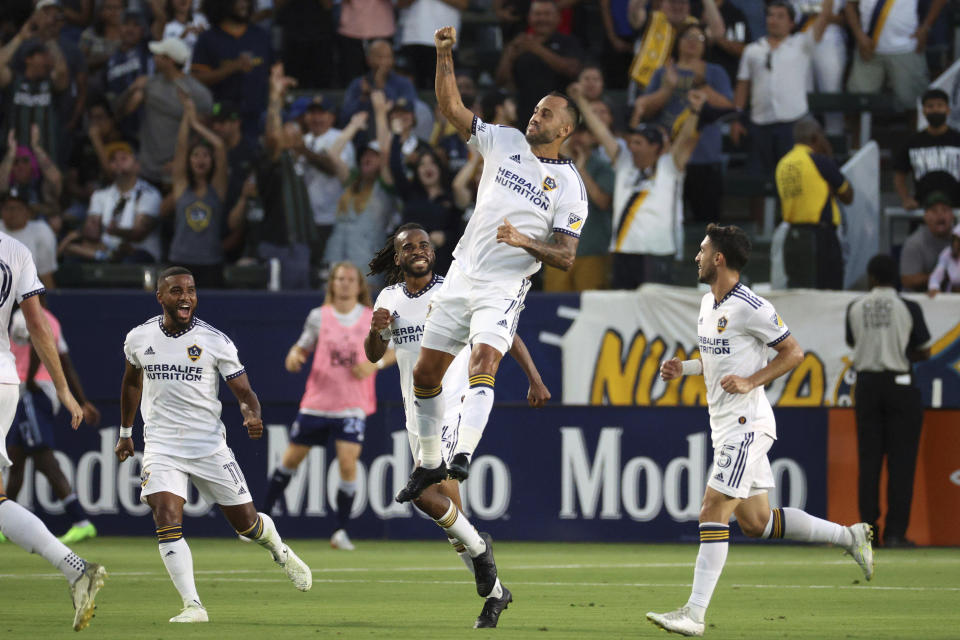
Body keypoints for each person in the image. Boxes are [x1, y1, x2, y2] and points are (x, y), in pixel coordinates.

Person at [647, 223, 874, 637]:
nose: (696, 256)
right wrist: (686, 368)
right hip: (724, 425)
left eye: (702, 250)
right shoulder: (706, 303)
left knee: (712, 510)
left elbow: (794, 352)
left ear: (719, 258)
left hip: (746, 425)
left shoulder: (752, 305)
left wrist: (753, 382)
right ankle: (849, 536)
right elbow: (720, 360)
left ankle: (694, 615)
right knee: (756, 522)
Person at [396, 26, 587, 501]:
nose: (536, 115)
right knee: (425, 375)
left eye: (546, 113)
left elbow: (565, 257)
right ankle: (429, 461)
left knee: (484, 361)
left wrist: (525, 241)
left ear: (564, 129)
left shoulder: (569, 187)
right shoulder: (502, 141)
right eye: (536, 108)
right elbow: (451, 109)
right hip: (462, 273)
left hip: (504, 286)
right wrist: (444, 55)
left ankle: (462, 452)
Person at [365, 223, 549, 627]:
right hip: (419, 416)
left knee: (424, 495)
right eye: (409, 247)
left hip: (453, 408)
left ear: (434, 252)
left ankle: (482, 551)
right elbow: (374, 352)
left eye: (425, 245)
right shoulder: (389, 297)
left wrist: (534, 377)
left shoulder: (455, 290)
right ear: (397, 258)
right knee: (454, 526)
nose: (419, 250)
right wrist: (377, 330)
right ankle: (496, 594)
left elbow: (504, 330)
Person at [115, 266, 312, 623]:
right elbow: (131, 383)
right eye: (176, 291)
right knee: (166, 515)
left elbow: (245, 392)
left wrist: (251, 414)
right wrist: (126, 433)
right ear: (160, 296)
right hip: (161, 445)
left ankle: (279, 549)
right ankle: (193, 605)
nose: (185, 296)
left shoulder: (215, 341)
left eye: (190, 290)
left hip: (208, 446)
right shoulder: (138, 338)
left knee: (247, 526)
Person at [0, 224, 104, 632]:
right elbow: (38, 327)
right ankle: (76, 568)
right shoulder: (17, 251)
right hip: (6, 380)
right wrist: (63, 390)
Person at [263, 261, 391, 549]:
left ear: (359, 286)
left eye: (350, 279)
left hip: (352, 403)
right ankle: (261, 521)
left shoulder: (371, 317)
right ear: (331, 284)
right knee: (291, 459)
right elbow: (301, 347)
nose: (344, 284)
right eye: (339, 279)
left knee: (347, 463)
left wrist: (375, 364)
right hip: (318, 402)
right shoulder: (318, 317)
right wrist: (294, 356)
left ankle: (340, 530)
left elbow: (393, 350)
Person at [576, 85, 704, 289]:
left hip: (657, 253)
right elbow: (600, 131)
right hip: (623, 252)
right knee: (624, 313)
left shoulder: (670, 166)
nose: (631, 147)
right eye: (632, 142)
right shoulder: (624, 162)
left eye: (638, 143)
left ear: (654, 147)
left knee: (653, 314)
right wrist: (580, 101)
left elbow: (686, 139)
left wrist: (695, 111)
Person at [847, 254, 930, 547]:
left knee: (869, 463)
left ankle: (868, 533)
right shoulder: (909, 306)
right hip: (900, 386)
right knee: (901, 463)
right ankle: (895, 533)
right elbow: (924, 350)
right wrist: (899, 350)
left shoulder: (855, 307)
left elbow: (852, 342)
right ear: (895, 277)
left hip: (867, 386)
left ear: (871, 277)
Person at [4, 302, 101, 544]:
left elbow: (37, 346)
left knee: (44, 459)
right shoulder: (52, 320)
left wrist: (29, 378)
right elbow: (65, 363)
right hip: (38, 393)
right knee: (15, 460)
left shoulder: (23, 316)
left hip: (31, 392)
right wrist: (83, 400)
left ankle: (81, 521)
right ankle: (5, 525)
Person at [632, 22, 734, 223]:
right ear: (678, 42)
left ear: (706, 46)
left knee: (708, 222)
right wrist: (668, 88)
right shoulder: (663, 72)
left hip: (705, 156)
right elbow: (646, 110)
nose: (693, 43)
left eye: (700, 38)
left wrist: (701, 83)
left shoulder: (715, 72)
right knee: (663, 217)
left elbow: (727, 108)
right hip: (666, 156)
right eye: (688, 37)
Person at [731, 0, 833, 176]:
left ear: (791, 23)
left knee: (793, 179)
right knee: (758, 183)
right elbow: (743, 85)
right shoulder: (753, 50)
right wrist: (737, 119)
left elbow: (824, 18)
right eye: (770, 15)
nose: (774, 20)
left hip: (793, 124)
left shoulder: (802, 44)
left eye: (780, 16)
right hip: (760, 123)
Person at [117, 36, 213, 188]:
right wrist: (131, 89)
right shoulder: (149, 84)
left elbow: (203, 133)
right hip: (146, 170)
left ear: (170, 61)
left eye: (158, 55)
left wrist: (181, 159)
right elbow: (120, 112)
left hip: (176, 171)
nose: (154, 58)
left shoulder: (198, 93)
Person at [775, 118, 854, 290]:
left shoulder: (783, 163)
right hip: (820, 238)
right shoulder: (819, 161)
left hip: (793, 236)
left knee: (799, 291)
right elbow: (848, 195)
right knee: (828, 291)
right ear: (815, 138)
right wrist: (829, 158)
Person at [168, 92, 230, 287]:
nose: (200, 159)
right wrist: (188, 115)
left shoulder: (217, 189)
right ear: (189, 160)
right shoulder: (181, 187)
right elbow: (181, 146)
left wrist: (196, 124)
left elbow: (219, 146)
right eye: (195, 155)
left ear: (212, 162)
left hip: (210, 262)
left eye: (205, 155)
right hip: (180, 262)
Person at [64, 141, 163, 263]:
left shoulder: (150, 194)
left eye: (123, 158)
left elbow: (138, 234)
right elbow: (92, 232)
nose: (118, 162)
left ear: (137, 165)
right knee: (72, 257)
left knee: (127, 260)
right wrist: (81, 232)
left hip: (140, 252)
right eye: (113, 160)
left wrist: (114, 231)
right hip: (106, 250)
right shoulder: (99, 195)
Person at [190, 0, 272, 142]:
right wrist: (231, 68)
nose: (243, 4)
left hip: (257, 117)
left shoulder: (261, 37)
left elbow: (274, 73)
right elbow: (197, 78)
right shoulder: (208, 39)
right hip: (220, 119)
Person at [845, 0, 946, 112]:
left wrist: (926, 28)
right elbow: (849, 5)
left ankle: (915, 130)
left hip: (907, 48)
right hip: (868, 47)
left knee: (915, 105)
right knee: (856, 103)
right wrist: (859, 36)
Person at [495, 0, 583, 126]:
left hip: (560, 120)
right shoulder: (519, 43)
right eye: (537, 14)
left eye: (547, 14)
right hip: (525, 119)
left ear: (558, 18)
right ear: (529, 18)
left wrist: (536, 49)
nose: (542, 18)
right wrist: (509, 56)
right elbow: (501, 81)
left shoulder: (568, 42)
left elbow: (573, 70)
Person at [894, 88, 960, 209]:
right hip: (922, 211)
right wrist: (906, 199)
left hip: (957, 211)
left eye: (940, 105)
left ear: (948, 109)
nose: (935, 109)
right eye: (930, 106)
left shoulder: (958, 139)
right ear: (923, 111)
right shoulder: (912, 142)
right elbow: (899, 175)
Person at [0, 189, 57, 289]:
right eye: (7, 208)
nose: (12, 212)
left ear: (28, 212)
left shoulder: (41, 231)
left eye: (17, 208)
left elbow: (46, 275)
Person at [899, 191, 956, 291]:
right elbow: (907, 280)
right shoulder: (915, 242)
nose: (940, 215)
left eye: (945, 210)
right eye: (934, 211)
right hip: (920, 300)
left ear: (952, 216)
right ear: (925, 217)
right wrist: (942, 275)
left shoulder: (958, 237)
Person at [928, 223, 960, 295]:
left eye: (959, 240)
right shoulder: (947, 253)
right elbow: (936, 275)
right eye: (955, 240)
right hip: (951, 296)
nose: (956, 244)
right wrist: (934, 287)